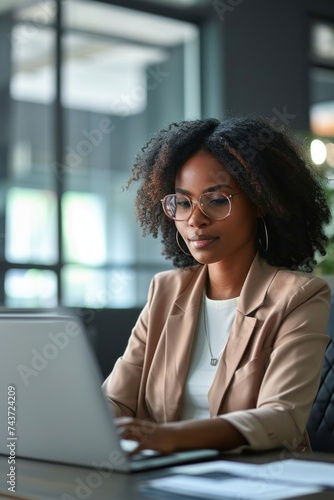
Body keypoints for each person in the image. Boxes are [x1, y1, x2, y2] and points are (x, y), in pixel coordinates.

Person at [103, 115, 332, 455]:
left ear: (260, 201)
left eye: (217, 199)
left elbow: (281, 419)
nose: (195, 219)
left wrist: (167, 438)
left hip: (256, 480)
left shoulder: (299, 297)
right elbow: (114, 400)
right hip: (161, 477)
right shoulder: (165, 291)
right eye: (183, 202)